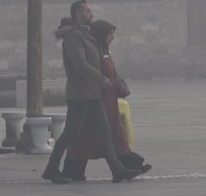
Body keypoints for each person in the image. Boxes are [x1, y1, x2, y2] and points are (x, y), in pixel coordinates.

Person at [41, 1, 140, 184]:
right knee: (71, 133)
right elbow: (79, 63)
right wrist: (100, 78)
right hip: (80, 94)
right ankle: (51, 168)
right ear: (78, 13)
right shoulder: (73, 37)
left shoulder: (85, 34)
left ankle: (117, 169)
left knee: (105, 131)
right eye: (87, 11)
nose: (91, 14)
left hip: (93, 94)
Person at [62, 20, 152, 181]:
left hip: (108, 100)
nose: (112, 38)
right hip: (97, 100)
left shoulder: (104, 51)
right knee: (88, 136)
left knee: (113, 135)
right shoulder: (94, 53)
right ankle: (71, 169)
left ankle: (129, 166)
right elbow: (88, 72)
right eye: (110, 34)